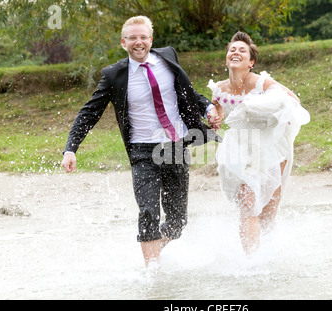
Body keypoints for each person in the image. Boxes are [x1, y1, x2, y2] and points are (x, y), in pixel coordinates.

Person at [61, 16, 221, 267]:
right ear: (123, 43)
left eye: (143, 37)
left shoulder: (168, 57)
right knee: (148, 210)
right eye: (132, 38)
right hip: (142, 151)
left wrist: (207, 107)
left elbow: (188, 93)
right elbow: (89, 112)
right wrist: (70, 148)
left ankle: (154, 249)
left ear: (151, 39)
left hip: (175, 147)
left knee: (178, 222)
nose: (138, 42)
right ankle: (152, 272)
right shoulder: (114, 75)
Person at [208, 31, 310, 254]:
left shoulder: (262, 83)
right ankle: (251, 262)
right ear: (227, 58)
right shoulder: (219, 88)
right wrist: (214, 118)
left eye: (241, 50)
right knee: (247, 204)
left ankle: (269, 255)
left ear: (251, 62)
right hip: (239, 148)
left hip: (270, 147)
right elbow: (218, 112)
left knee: (267, 212)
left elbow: (293, 100)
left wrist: (259, 107)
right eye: (232, 49)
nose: (235, 52)